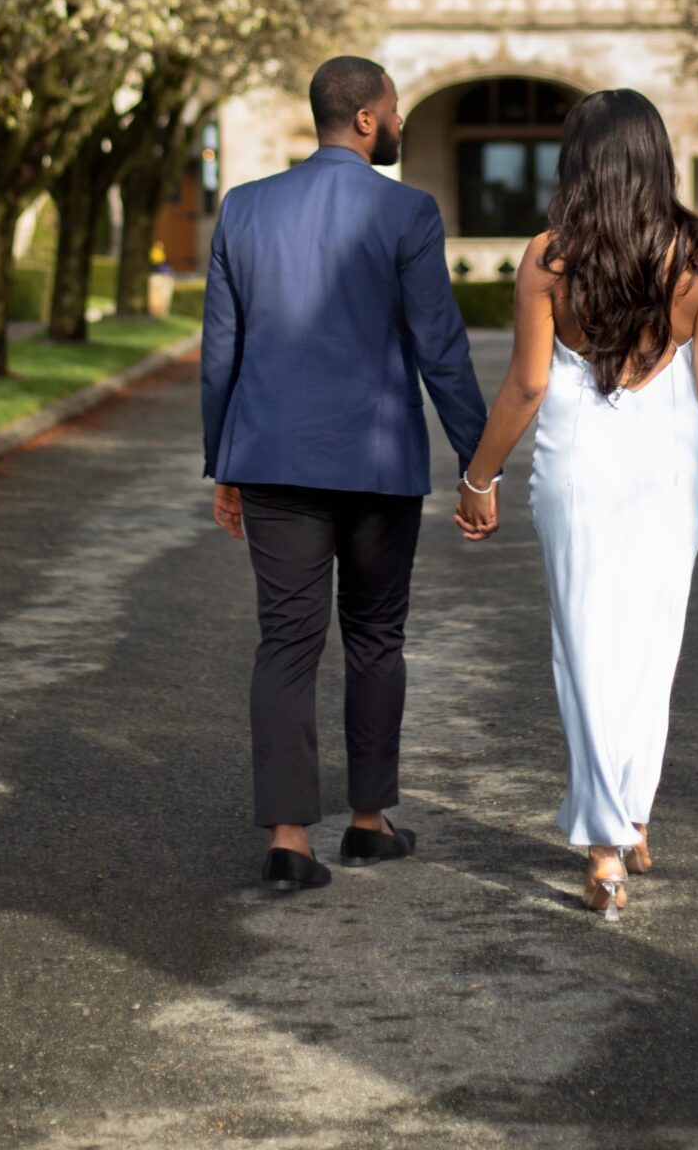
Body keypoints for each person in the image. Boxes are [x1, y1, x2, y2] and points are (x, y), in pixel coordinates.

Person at [200, 55, 488, 894]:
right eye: (394, 110)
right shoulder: (407, 211)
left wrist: (224, 463)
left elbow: (222, 351)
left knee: (286, 643)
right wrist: (479, 464)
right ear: (367, 119)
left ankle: (289, 838)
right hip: (375, 462)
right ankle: (368, 822)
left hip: (273, 463)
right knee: (374, 639)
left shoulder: (244, 209)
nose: (398, 123)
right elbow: (440, 344)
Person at [455, 88, 698, 916]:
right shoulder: (697, 253)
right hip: (669, 452)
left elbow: (529, 383)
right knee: (654, 645)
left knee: (584, 648)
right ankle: (633, 817)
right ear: (656, 156)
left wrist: (478, 478)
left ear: (577, 160)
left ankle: (606, 849)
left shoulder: (550, 257)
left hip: (580, 455)